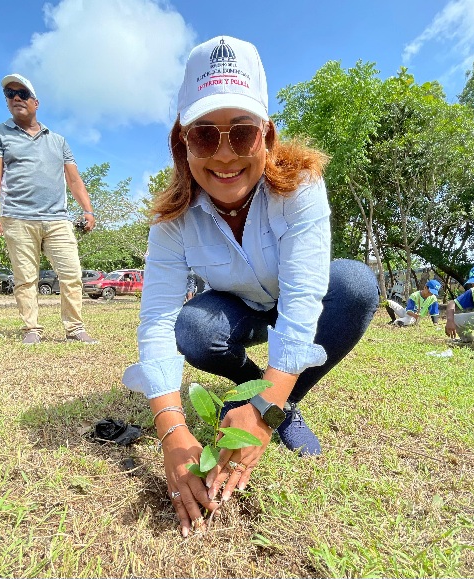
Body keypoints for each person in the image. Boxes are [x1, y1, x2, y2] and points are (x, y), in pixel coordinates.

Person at [122, 36, 378, 536]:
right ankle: (260, 392)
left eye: (241, 134)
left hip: (290, 305)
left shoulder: (301, 187)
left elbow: (304, 302)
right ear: (181, 142)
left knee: (354, 283)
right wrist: (172, 432)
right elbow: (155, 317)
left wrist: (264, 409)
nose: (224, 156)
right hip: (239, 307)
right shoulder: (172, 219)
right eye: (203, 136)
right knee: (190, 329)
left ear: (266, 136)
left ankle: (279, 404)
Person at [0, 73, 98, 345]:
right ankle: (31, 328)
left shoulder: (58, 141)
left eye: (22, 93)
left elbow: (74, 179)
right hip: (18, 217)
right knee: (25, 278)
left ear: (36, 102)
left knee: (71, 274)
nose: (16, 98)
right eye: (10, 94)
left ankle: (75, 328)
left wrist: (88, 210)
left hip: (58, 219)